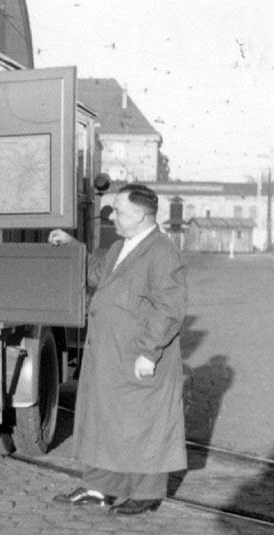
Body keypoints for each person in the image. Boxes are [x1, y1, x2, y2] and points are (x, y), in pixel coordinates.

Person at [47, 183, 188, 515]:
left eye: (119, 211)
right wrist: (73, 246)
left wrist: (148, 354)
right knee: (104, 419)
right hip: (109, 354)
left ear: (139, 215)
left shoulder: (163, 253)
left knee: (144, 423)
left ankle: (146, 494)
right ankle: (102, 488)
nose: (113, 217)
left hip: (137, 356)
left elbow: (169, 308)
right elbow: (99, 274)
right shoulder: (120, 247)